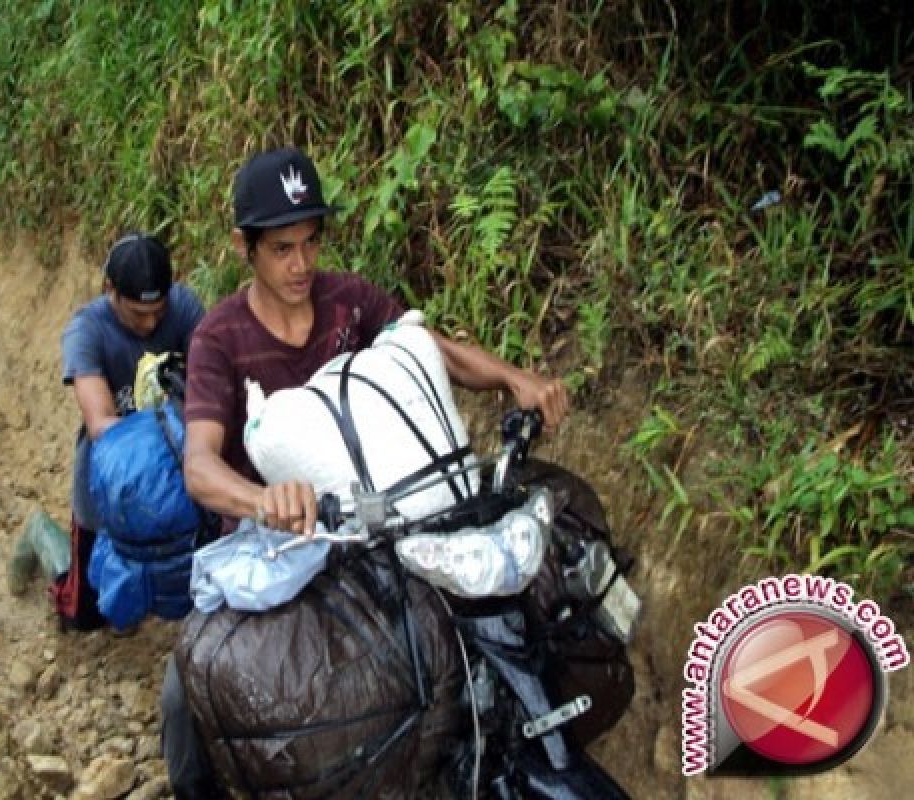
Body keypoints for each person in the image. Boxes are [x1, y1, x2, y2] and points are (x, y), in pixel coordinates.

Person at [160, 146, 570, 797]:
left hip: (382, 524)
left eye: (311, 243)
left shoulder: (349, 301)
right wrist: (264, 500)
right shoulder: (220, 339)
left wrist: (513, 379)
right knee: (189, 693)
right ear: (245, 246)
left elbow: (431, 350)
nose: (302, 265)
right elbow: (201, 466)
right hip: (282, 544)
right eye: (282, 250)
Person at [54, 233, 205, 631]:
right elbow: (102, 423)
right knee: (86, 614)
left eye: (159, 310)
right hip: (109, 485)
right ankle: (40, 541)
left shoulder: (185, 307)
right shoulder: (86, 331)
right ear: (110, 291)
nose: (152, 322)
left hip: (172, 479)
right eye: (139, 313)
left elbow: (212, 377)